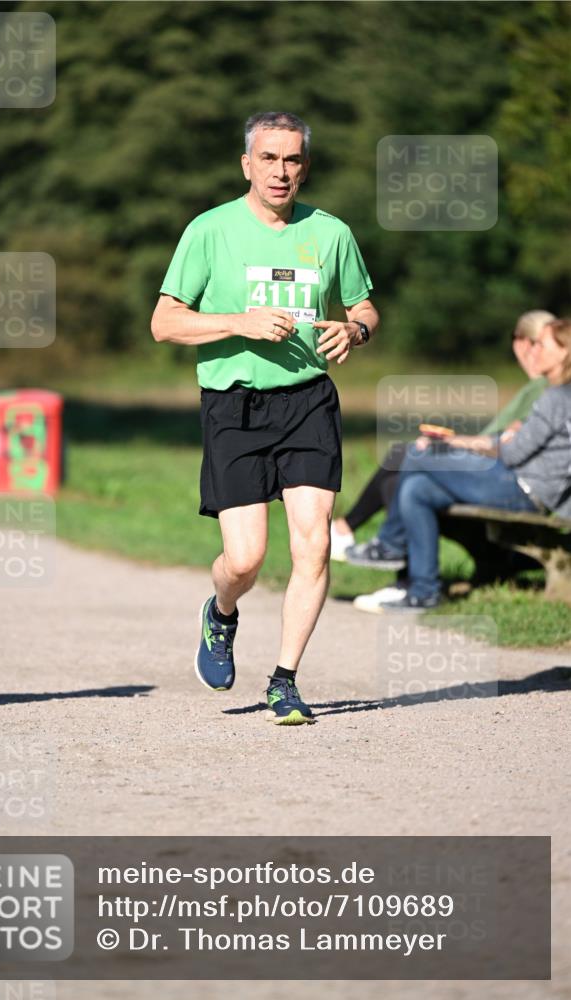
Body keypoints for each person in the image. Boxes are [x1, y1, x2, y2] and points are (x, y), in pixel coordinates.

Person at [151, 111, 378, 723]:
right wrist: (238, 323)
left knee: (314, 544)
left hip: (308, 399)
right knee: (245, 559)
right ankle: (221, 612)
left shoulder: (331, 233)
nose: (282, 171)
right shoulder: (210, 230)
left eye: (294, 159)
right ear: (247, 164)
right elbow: (164, 322)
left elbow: (364, 306)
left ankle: (284, 679)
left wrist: (354, 329)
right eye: (270, 158)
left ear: (306, 166)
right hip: (235, 405)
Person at [347, 318, 571, 612]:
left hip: (524, 490)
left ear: (564, 352)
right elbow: (513, 446)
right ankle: (424, 590)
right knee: (418, 488)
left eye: (543, 345)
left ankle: (390, 544)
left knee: (415, 454)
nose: (535, 351)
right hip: (520, 484)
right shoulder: (557, 396)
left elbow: (513, 454)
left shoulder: (556, 398)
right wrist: (472, 442)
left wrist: (499, 439)